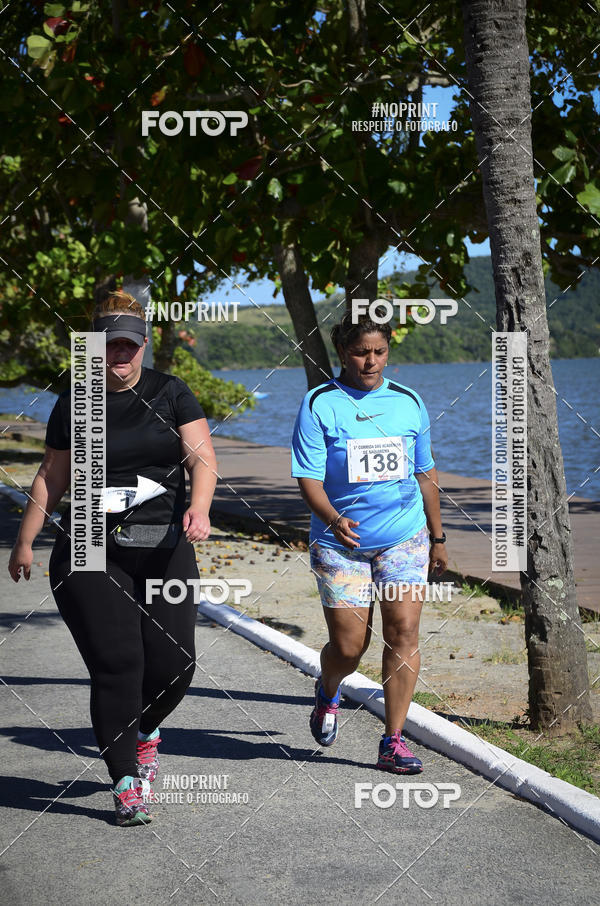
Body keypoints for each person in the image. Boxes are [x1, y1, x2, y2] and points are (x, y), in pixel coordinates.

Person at [8, 291, 217, 825]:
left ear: (143, 346)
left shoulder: (171, 392)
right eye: (109, 346)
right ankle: (125, 780)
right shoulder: (76, 402)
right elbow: (52, 476)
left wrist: (198, 508)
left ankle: (143, 731)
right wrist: (27, 539)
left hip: (164, 541)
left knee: (175, 665)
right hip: (89, 543)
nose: (119, 355)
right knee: (119, 661)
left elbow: (203, 459)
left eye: (129, 345)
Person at [291, 311, 447, 773]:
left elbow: (426, 472)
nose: (371, 361)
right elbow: (308, 479)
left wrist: (437, 537)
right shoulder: (321, 403)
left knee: (403, 633)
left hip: (404, 536)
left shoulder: (408, 401)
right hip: (340, 544)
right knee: (349, 647)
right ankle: (328, 692)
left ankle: (392, 741)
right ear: (343, 352)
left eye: (379, 351)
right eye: (361, 352)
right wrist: (334, 518)